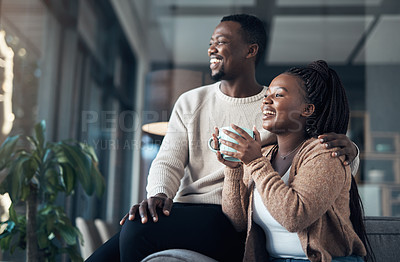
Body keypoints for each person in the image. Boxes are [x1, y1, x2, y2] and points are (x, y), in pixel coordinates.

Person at [86, 15, 359, 262]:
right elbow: (167, 161)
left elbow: (315, 156)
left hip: (229, 216)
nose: (211, 49)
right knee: (120, 239)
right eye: (211, 43)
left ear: (250, 51)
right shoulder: (192, 101)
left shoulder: (279, 111)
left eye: (222, 42)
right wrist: (158, 195)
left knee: (135, 231)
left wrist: (352, 152)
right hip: (182, 210)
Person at [217, 60, 374, 262]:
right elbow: (237, 221)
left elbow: (294, 217)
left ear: (307, 109)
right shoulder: (264, 154)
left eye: (278, 95)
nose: (266, 101)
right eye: (266, 96)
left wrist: (255, 162)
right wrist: (234, 169)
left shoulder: (325, 154)